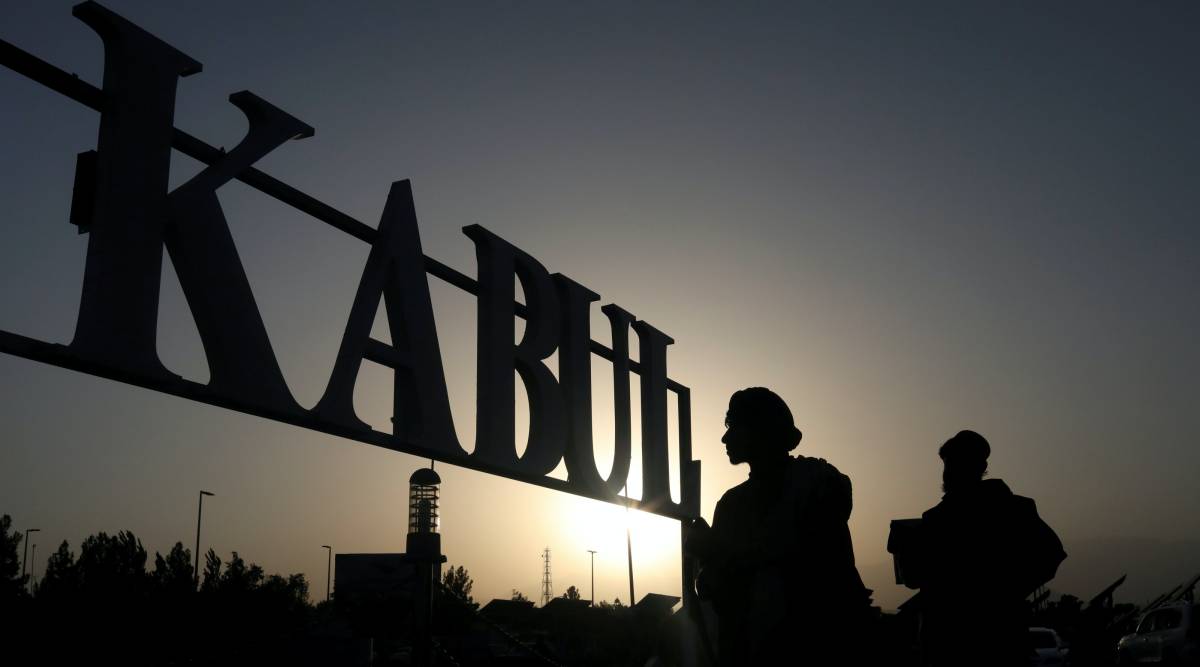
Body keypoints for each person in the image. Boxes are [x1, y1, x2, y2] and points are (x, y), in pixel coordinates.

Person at [685, 387, 871, 666]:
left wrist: (714, 550)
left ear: (759, 430)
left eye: (733, 425)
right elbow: (722, 592)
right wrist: (709, 558)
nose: (725, 437)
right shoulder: (734, 502)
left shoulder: (816, 483)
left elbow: (798, 553)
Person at [910, 430, 1066, 667]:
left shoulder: (1013, 510)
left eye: (953, 464)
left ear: (977, 467)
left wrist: (1004, 591)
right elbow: (916, 576)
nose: (947, 472)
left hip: (980, 640)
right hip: (955, 640)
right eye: (946, 464)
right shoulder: (937, 518)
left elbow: (1051, 553)